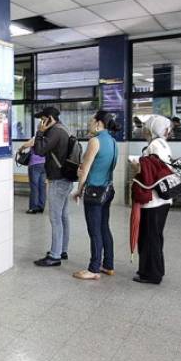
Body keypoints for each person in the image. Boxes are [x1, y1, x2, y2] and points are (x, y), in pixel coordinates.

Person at [71, 111, 119, 280]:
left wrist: (78, 190)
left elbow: (85, 170)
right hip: (108, 190)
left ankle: (93, 269)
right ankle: (108, 265)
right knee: (104, 227)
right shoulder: (113, 141)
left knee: (94, 230)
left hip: (94, 192)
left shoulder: (95, 141)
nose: (89, 123)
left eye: (92, 120)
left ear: (99, 123)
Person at [132, 115, 173, 284]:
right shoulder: (162, 143)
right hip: (162, 200)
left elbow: (150, 172)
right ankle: (153, 269)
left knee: (149, 237)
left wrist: (137, 165)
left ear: (151, 128)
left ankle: (151, 274)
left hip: (153, 200)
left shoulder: (155, 145)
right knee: (154, 236)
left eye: (146, 126)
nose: (143, 129)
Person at [32, 107, 73, 267]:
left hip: (58, 180)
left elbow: (39, 150)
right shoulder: (64, 128)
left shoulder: (55, 131)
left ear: (49, 118)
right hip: (65, 179)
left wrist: (40, 133)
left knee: (56, 218)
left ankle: (55, 255)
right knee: (63, 216)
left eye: (42, 119)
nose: (40, 123)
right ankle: (62, 250)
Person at [19, 137, 46, 214]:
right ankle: (41, 206)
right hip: (44, 164)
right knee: (42, 186)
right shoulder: (48, 137)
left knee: (34, 186)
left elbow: (27, 144)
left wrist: (20, 149)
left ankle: (33, 208)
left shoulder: (37, 137)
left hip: (34, 164)